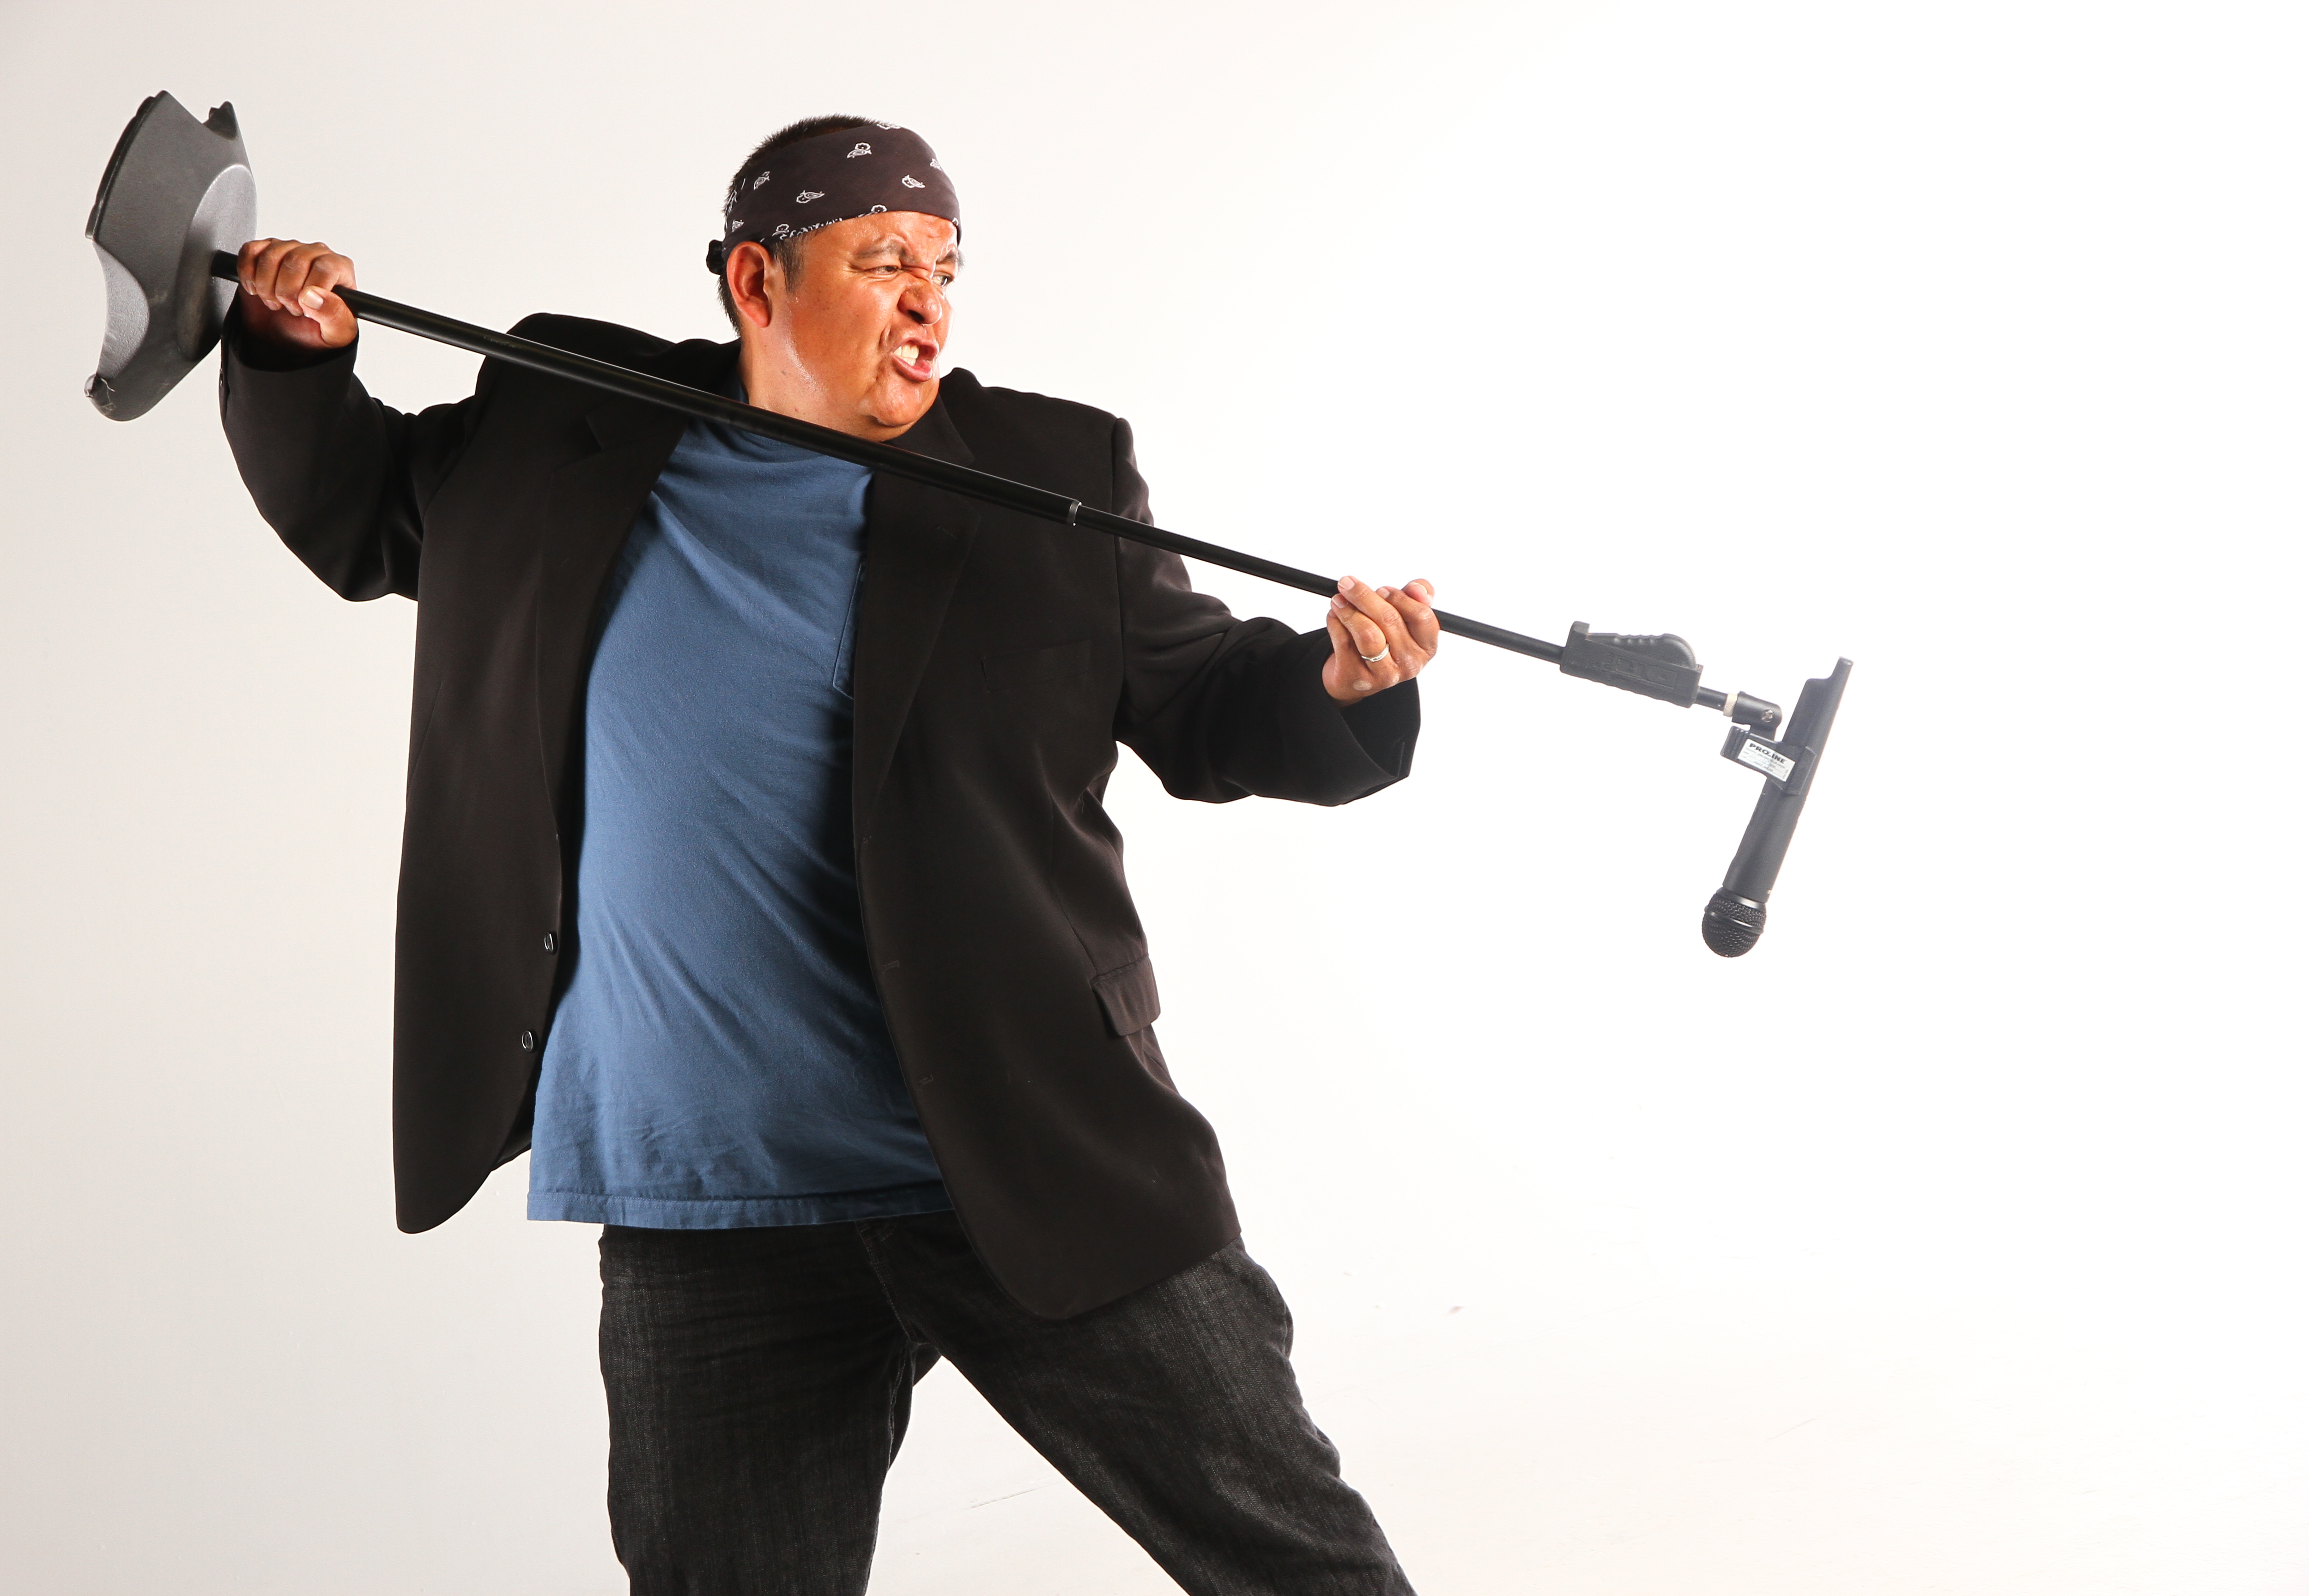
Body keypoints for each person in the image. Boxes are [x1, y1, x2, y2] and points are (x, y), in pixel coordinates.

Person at [220, 114, 1439, 1596]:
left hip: (1029, 1149)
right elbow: (363, 515)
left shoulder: (1051, 474)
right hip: (709, 1200)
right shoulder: (563, 423)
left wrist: (1337, 684)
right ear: (757, 282)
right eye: (883, 262)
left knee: (1300, 1563)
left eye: (947, 267)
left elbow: (1206, 701)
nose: (929, 301)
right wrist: (292, 357)